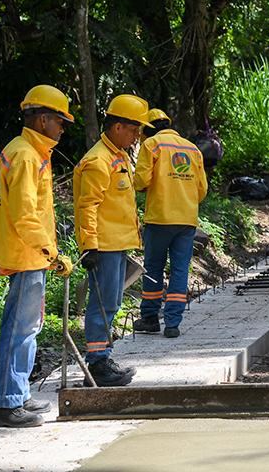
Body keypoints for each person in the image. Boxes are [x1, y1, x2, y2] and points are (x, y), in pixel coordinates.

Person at [0, 85, 74, 428]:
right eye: (60, 122)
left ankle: (18, 394)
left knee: (28, 327)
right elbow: (24, 214)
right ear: (42, 120)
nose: (63, 129)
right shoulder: (26, 155)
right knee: (20, 330)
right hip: (28, 254)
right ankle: (7, 405)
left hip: (26, 252)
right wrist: (50, 252)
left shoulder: (22, 150)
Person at [73, 94, 152, 386]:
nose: (136, 137)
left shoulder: (117, 156)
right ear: (118, 127)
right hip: (103, 245)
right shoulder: (98, 160)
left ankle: (103, 357)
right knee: (103, 304)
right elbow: (87, 206)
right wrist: (89, 245)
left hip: (117, 243)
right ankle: (97, 364)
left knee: (112, 302)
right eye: (133, 130)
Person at [132, 109, 208, 338]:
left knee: (153, 268)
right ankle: (173, 323)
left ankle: (150, 318)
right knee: (180, 269)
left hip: (159, 218)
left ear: (148, 129)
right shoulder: (192, 148)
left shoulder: (151, 145)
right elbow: (202, 189)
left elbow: (141, 181)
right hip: (186, 220)